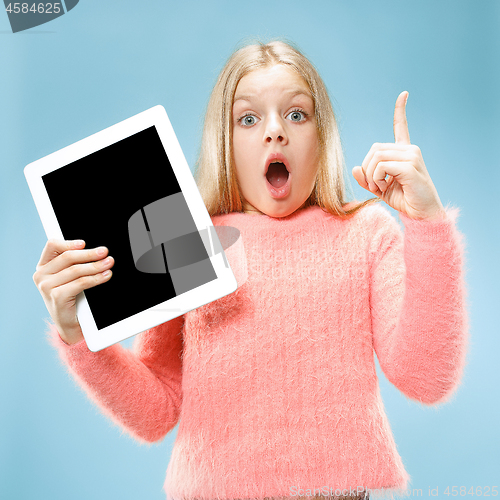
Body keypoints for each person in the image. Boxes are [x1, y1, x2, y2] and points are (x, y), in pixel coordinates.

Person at [33, 41, 468, 500]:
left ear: (322, 136)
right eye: (248, 118)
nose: (275, 131)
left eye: (297, 114)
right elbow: (156, 410)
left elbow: (427, 377)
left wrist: (427, 224)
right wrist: (77, 334)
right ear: (226, 140)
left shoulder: (365, 232)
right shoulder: (190, 241)